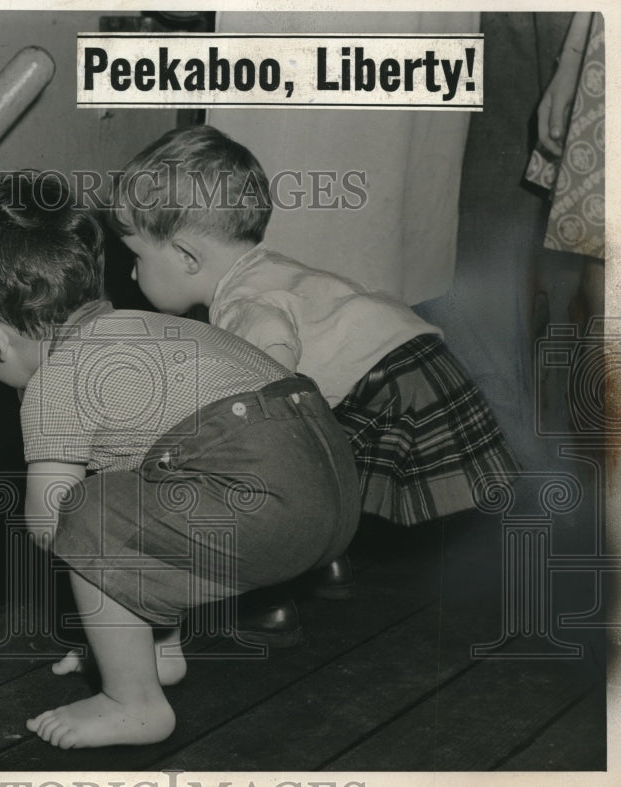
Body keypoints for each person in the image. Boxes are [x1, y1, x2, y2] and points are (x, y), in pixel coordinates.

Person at [0, 173, 359, 748]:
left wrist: (95, 590)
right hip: (333, 480)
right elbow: (150, 519)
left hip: (266, 490)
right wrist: (116, 626)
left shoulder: (56, 380)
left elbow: (50, 524)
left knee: (79, 515)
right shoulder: (150, 330)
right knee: (140, 503)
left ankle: (131, 702)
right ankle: (157, 656)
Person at [110, 125, 520, 588]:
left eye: (137, 256)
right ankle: (328, 552)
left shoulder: (241, 304)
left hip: (391, 386)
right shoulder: (268, 269)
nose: (131, 270)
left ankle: (287, 565)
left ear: (186, 256)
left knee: (268, 455)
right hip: (417, 358)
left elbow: (269, 388)